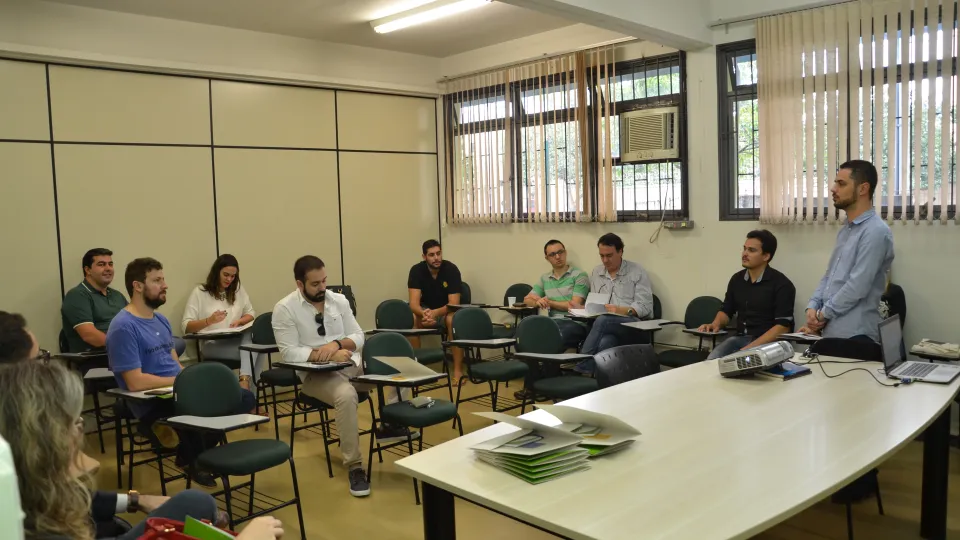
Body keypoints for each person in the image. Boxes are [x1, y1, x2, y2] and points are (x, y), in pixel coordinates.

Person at [0, 359, 288, 540]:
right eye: (76, 421)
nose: (80, 431)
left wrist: (137, 500)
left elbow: (79, 497)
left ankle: (186, 455)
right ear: (45, 439)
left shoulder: (29, 488)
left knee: (196, 503)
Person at [106, 257, 256, 488]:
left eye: (163, 279)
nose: (165, 285)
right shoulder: (123, 326)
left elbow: (174, 363)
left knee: (243, 397)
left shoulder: (161, 321)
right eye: (157, 280)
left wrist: (190, 381)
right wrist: (182, 382)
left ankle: (189, 455)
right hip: (151, 398)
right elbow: (134, 382)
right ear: (137, 286)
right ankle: (192, 456)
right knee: (201, 408)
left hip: (176, 388)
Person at [273, 255, 413, 498]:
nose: (322, 288)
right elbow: (288, 353)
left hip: (349, 364)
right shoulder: (284, 309)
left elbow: (359, 336)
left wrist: (337, 344)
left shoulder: (339, 300)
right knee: (346, 395)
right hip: (314, 375)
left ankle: (391, 423)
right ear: (299, 284)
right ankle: (355, 466)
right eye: (315, 284)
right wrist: (326, 355)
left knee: (399, 366)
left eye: (324, 281)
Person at [799, 160, 895, 342]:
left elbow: (857, 286)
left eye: (841, 184)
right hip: (831, 331)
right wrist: (812, 307)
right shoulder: (846, 230)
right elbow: (829, 277)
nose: (833, 189)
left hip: (856, 336)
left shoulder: (875, 231)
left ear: (862, 189)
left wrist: (822, 315)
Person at [699, 230, 796, 360]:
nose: (745, 254)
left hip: (768, 345)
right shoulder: (737, 279)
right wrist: (715, 324)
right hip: (739, 339)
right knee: (711, 362)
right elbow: (727, 310)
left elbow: (783, 327)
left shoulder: (782, 285)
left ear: (766, 256)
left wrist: (748, 350)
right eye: (744, 249)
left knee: (739, 366)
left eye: (751, 250)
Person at [515, 240, 590, 400]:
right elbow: (527, 299)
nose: (558, 257)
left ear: (565, 253)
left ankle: (540, 385)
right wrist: (536, 301)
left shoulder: (579, 275)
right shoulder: (545, 278)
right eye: (553, 254)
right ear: (547, 258)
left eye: (560, 252)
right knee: (526, 337)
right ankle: (536, 384)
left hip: (574, 323)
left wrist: (549, 302)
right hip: (552, 323)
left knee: (550, 338)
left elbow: (575, 305)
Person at [181, 254, 261, 394]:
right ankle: (249, 399)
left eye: (233, 276)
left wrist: (240, 321)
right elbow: (186, 326)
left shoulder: (237, 290)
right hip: (211, 345)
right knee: (254, 351)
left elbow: (251, 313)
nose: (229, 279)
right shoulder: (200, 293)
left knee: (254, 341)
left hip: (234, 342)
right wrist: (209, 321)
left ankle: (245, 386)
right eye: (226, 275)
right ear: (216, 272)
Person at [576, 233, 655, 371]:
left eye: (609, 255)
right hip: (605, 327)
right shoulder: (597, 272)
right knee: (607, 341)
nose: (605, 260)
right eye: (602, 256)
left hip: (633, 324)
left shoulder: (637, 271)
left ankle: (581, 366)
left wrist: (619, 310)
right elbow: (596, 301)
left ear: (620, 252)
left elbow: (645, 306)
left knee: (604, 320)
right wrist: (585, 308)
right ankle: (598, 383)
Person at [407, 240, 465, 380]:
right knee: (412, 318)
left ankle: (458, 370)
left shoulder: (451, 269)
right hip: (425, 311)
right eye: (431, 255)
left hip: (446, 311)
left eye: (438, 253)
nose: (436, 258)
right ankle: (418, 368)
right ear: (424, 256)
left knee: (453, 320)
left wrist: (434, 313)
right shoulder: (416, 271)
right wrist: (424, 314)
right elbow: (413, 304)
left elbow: (453, 304)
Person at [61, 248, 127, 353]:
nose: (108, 268)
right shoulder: (77, 295)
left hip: (124, 355)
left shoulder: (117, 296)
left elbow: (135, 324)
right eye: (101, 264)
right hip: (96, 359)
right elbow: (89, 335)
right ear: (88, 270)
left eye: (110, 264)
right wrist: (125, 347)